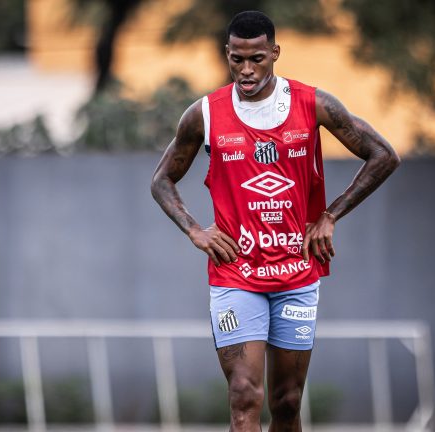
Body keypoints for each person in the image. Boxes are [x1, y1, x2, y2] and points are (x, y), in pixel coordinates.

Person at [151, 10, 399, 431]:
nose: (246, 70)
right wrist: (195, 229)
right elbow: (162, 181)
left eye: (257, 59)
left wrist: (330, 214)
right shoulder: (204, 115)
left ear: (275, 53)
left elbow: (384, 156)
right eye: (237, 59)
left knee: (287, 401)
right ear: (227, 55)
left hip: (295, 275)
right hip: (236, 274)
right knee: (245, 394)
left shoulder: (313, 104)